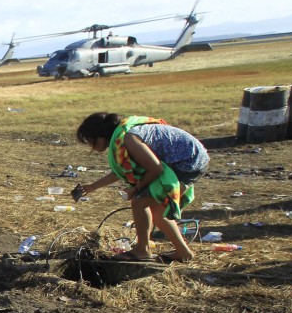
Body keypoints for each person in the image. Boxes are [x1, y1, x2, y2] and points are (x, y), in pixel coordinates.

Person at [73, 112, 210, 263]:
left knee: (140, 201)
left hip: (188, 162)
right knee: (157, 210)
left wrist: (136, 189)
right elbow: (120, 172)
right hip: (191, 159)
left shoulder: (129, 139)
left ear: (100, 136)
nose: (90, 146)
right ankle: (183, 252)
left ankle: (142, 250)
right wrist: (92, 187)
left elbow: (155, 168)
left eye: (89, 140)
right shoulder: (123, 137)